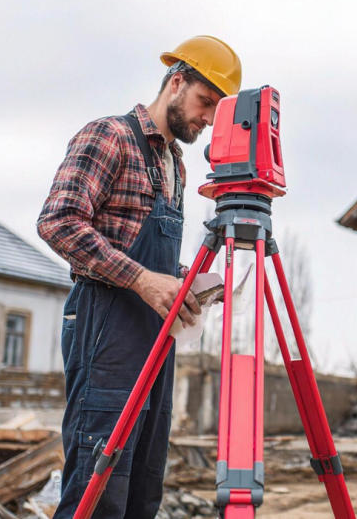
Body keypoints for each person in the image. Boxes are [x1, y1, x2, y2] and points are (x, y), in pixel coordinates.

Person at [37, 35, 241, 518]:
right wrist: (145, 281)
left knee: (142, 485)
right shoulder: (108, 136)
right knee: (98, 488)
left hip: (155, 340)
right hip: (105, 333)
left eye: (217, 109)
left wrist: (188, 282)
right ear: (176, 83)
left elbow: (152, 259)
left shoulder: (177, 167)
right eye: (204, 102)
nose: (209, 118)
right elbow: (58, 221)